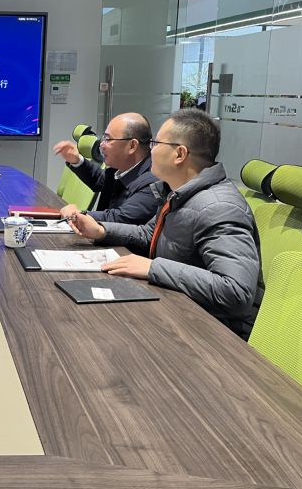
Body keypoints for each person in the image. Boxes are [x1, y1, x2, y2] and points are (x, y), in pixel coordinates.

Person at [68, 108, 262, 339]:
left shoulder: (219, 207)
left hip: (212, 334)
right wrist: (101, 231)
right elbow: (149, 233)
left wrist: (153, 268)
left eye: (156, 144)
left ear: (179, 154)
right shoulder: (177, 192)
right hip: (176, 310)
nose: (149, 150)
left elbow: (236, 291)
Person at [54, 113, 158, 224]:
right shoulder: (122, 167)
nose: (102, 145)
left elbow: (121, 218)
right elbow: (100, 180)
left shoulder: (153, 181)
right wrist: (76, 160)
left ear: (132, 146)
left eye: (108, 139)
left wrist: (77, 215)